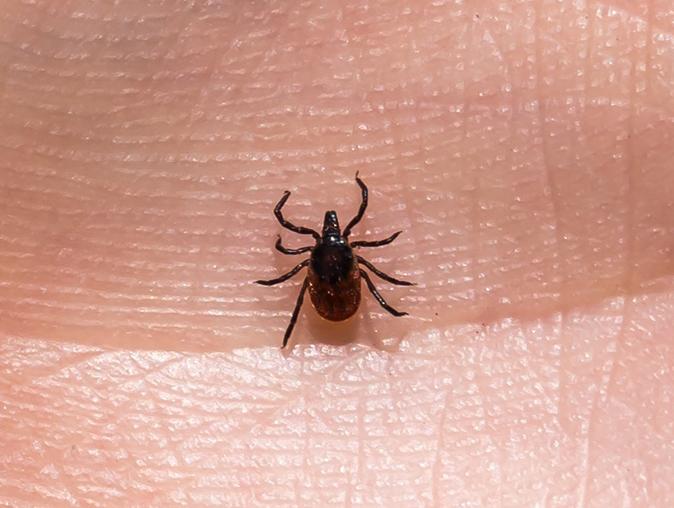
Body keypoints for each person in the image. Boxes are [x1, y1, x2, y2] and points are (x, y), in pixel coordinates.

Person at [1, 1, 672, 505]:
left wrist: (309, 237)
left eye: (334, 237)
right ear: (342, 253)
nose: (333, 238)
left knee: (298, 296)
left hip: (322, 307)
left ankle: (319, 326)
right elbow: (365, 250)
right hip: (338, 305)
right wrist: (357, 246)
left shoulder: (315, 264)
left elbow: (299, 259)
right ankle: (349, 323)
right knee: (331, 292)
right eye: (334, 238)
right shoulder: (350, 256)